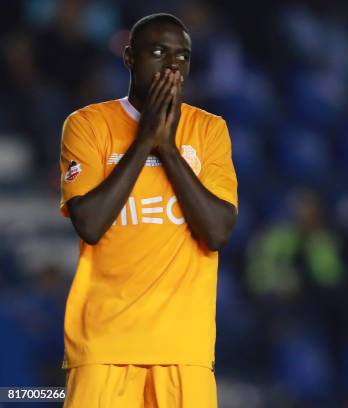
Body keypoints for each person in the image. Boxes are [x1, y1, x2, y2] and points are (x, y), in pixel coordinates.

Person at [58, 13, 238, 407]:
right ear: (129, 58)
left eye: (183, 56)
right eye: (158, 52)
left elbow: (218, 231)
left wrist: (168, 148)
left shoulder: (209, 131)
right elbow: (88, 223)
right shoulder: (87, 125)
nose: (172, 65)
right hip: (102, 346)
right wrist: (144, 143)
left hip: (183, 351)